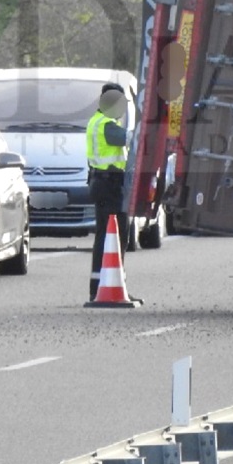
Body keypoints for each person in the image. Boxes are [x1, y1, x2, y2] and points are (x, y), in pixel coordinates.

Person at [86, 82, 135, 301]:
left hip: (103, 183)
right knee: (115, 237)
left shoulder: (98, 122)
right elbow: (131, 139)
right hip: (110, 185)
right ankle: (108, 287)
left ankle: (103, 286)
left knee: (107, 238)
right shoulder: (106, 125)